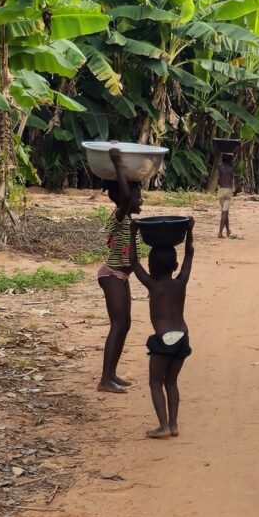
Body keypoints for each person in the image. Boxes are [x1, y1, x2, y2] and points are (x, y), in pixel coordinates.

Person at [130, 218, 195, 438]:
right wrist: (188, 232)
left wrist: (133, 233)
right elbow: (189, 256)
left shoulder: (152, 284)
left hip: (164, 338)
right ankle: (174, 424)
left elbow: (132, 262)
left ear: (151, 267)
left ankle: (163, 426)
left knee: (155, 382)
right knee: (172, 382)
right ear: (174, 267)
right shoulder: (180, 282)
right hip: (182, 337)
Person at [97, 146, 141, 393]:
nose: (141, 199)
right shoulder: (119, 215)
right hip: (111, 274)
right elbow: (124, 197)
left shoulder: (129, 221)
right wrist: (117, 164)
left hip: (121, 276)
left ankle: (112, 374)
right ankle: (105, 379)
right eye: (138, 195)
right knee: (117, 324)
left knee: (125, 324)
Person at [216, 153, 235, 239]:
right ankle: (220, 232)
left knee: (225, 211)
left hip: (220, 190)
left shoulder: (219, 168)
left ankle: (227, 230)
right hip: (228, 190)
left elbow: (219, 181)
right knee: (224, 212)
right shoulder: (231, 169)